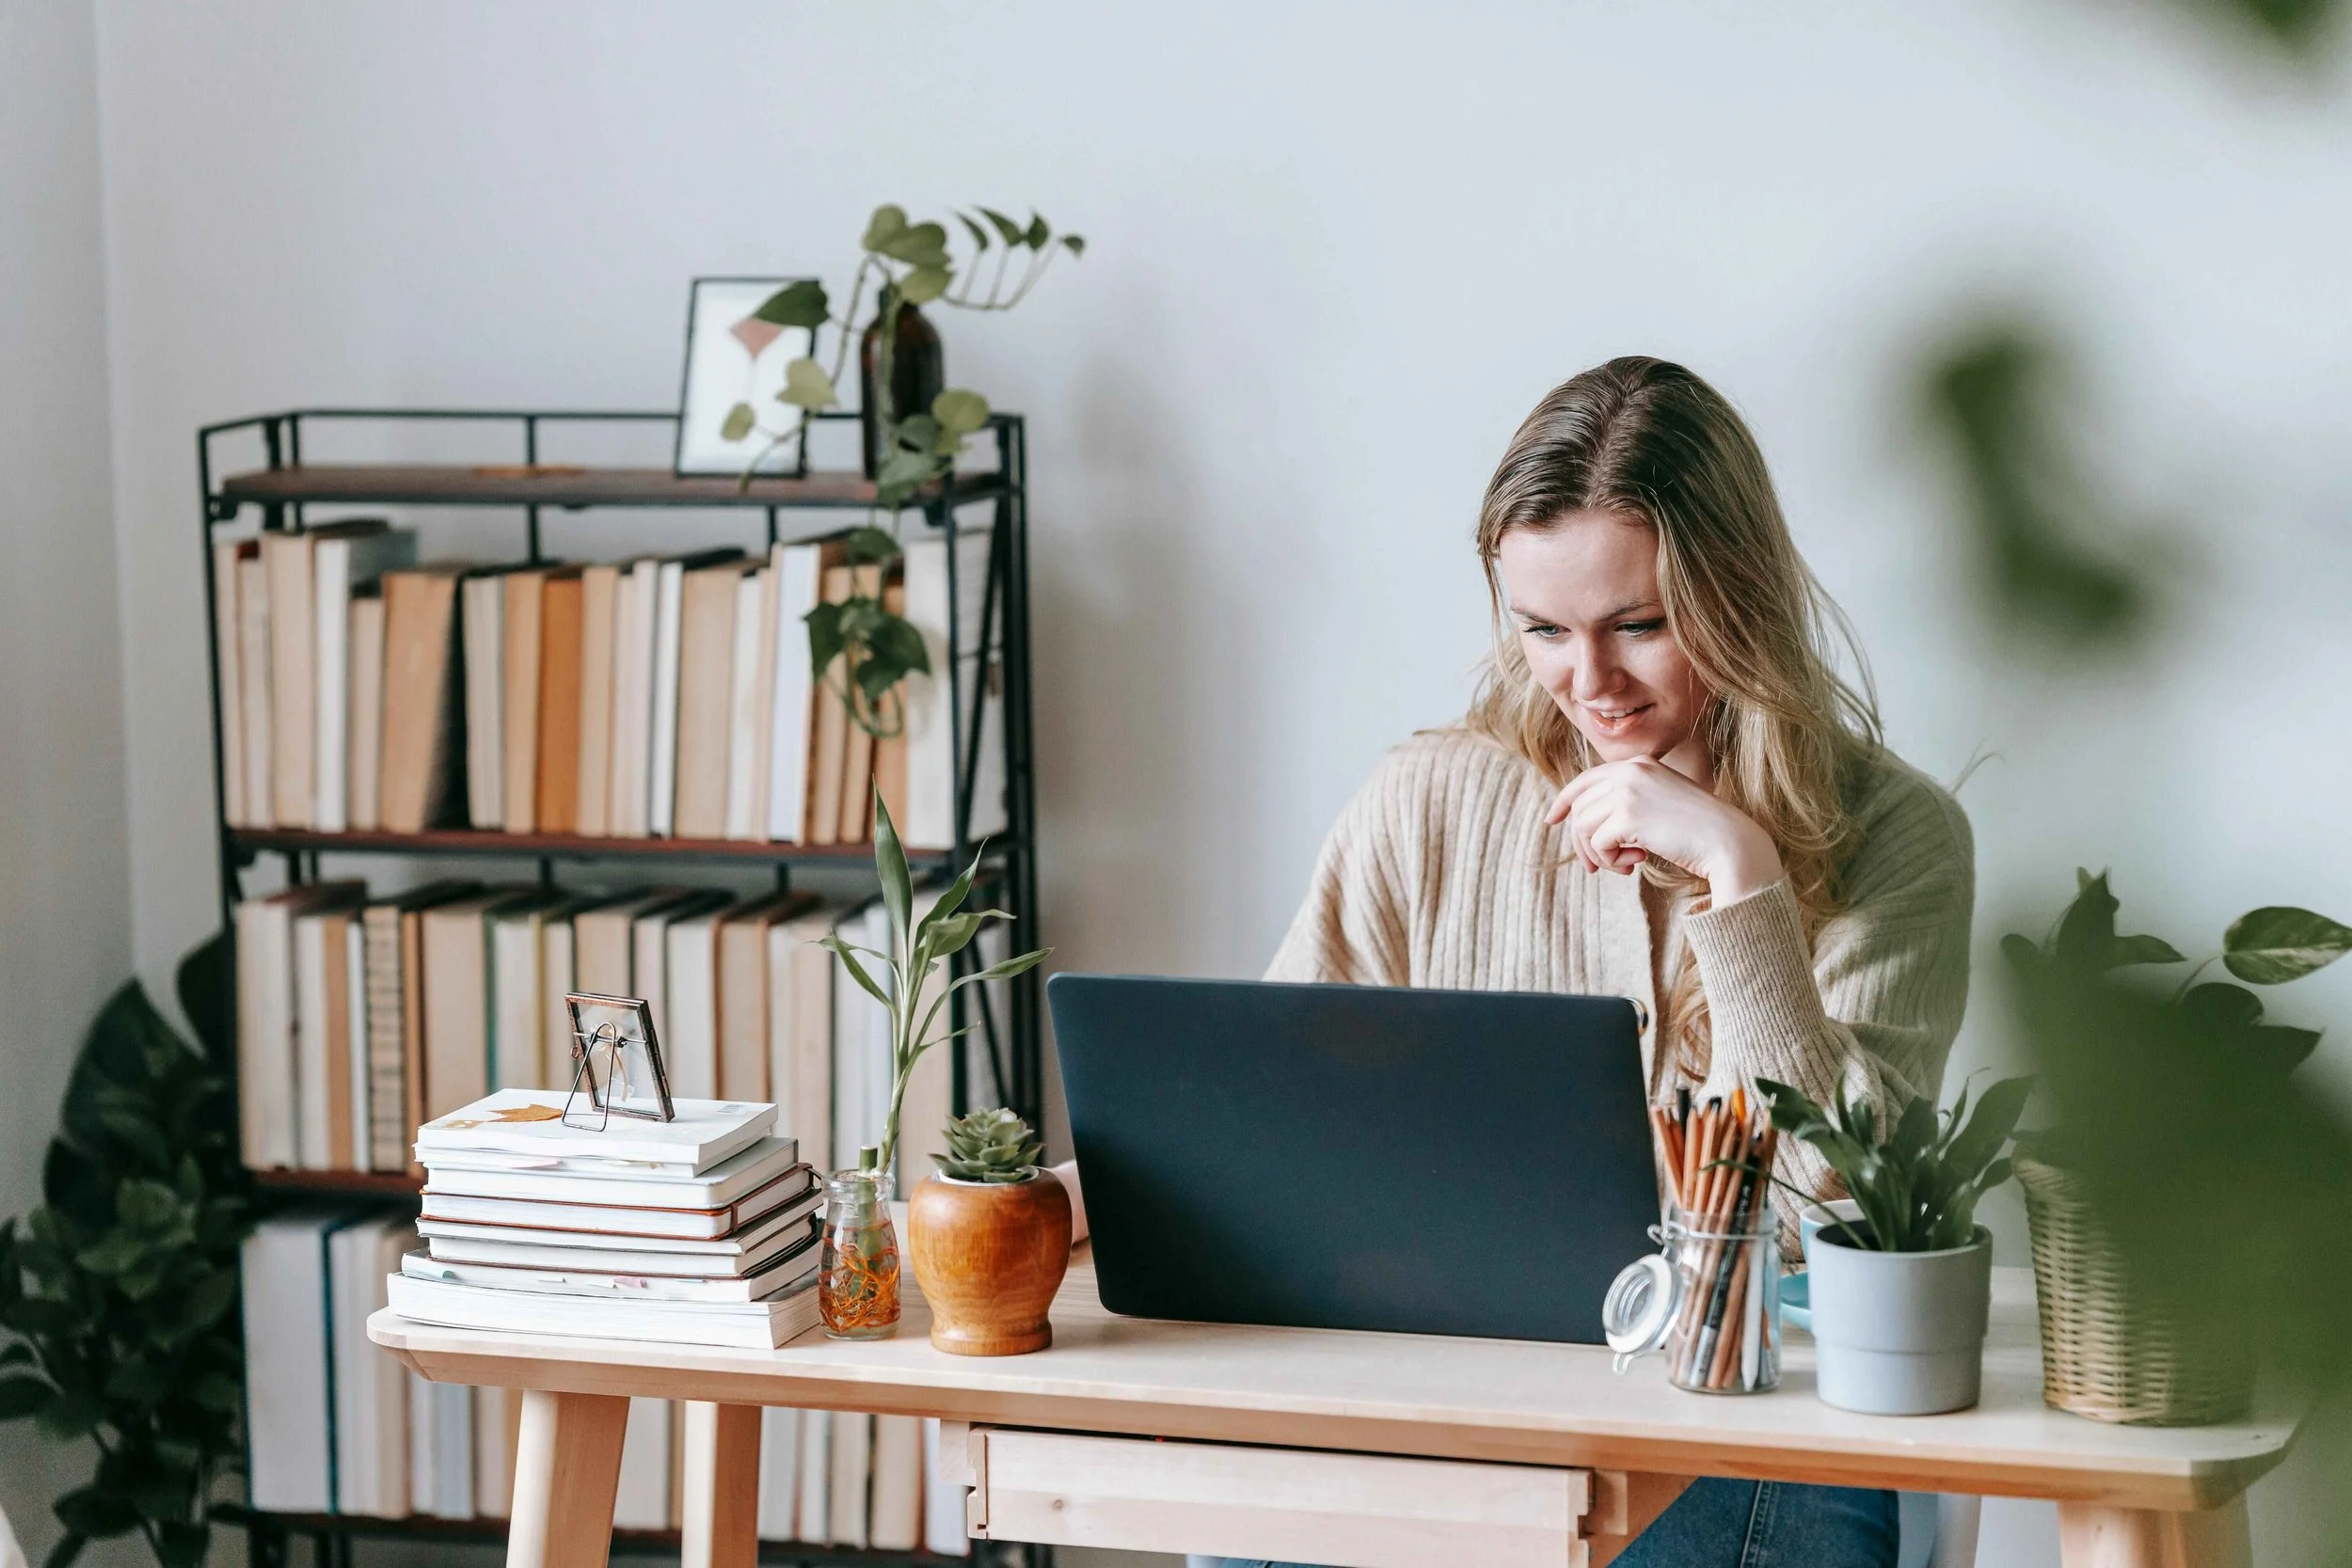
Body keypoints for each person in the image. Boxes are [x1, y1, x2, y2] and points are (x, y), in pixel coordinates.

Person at [1217, 356, 1973, 1568]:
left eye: (1641, 626)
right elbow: (1268, 1102)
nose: (1591, 684)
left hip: (1750, 1426)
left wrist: (1744, 879)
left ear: (1739, 601)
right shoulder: (1427, 798)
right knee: (1239, 1516)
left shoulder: (1898, 837)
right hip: (1459, 1393)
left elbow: (1845, 1189)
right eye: (1544, 632)